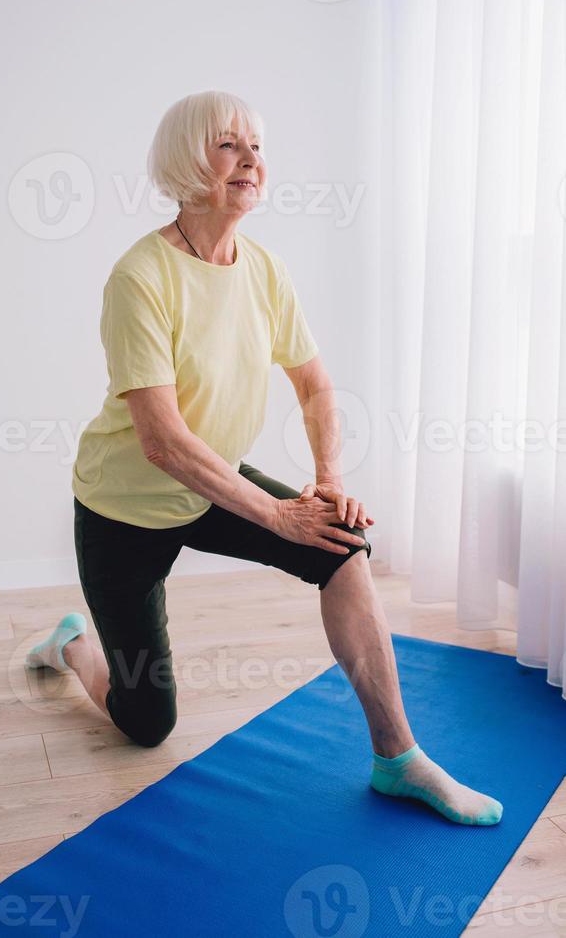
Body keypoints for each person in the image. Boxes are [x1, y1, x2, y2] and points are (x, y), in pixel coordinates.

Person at [26, 91, 502, 826]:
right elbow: (162, 441)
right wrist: (280, 515)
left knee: (343, 546)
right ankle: (71, 648)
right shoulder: (140, 277)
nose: (252, 161)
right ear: (187, 162)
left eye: (257, 147)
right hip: (125, 503)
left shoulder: (264, 270)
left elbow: (313, 384)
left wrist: (328, 485)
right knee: (145, 724)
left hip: (209, 478)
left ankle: (397, 758)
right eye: (229, 146)